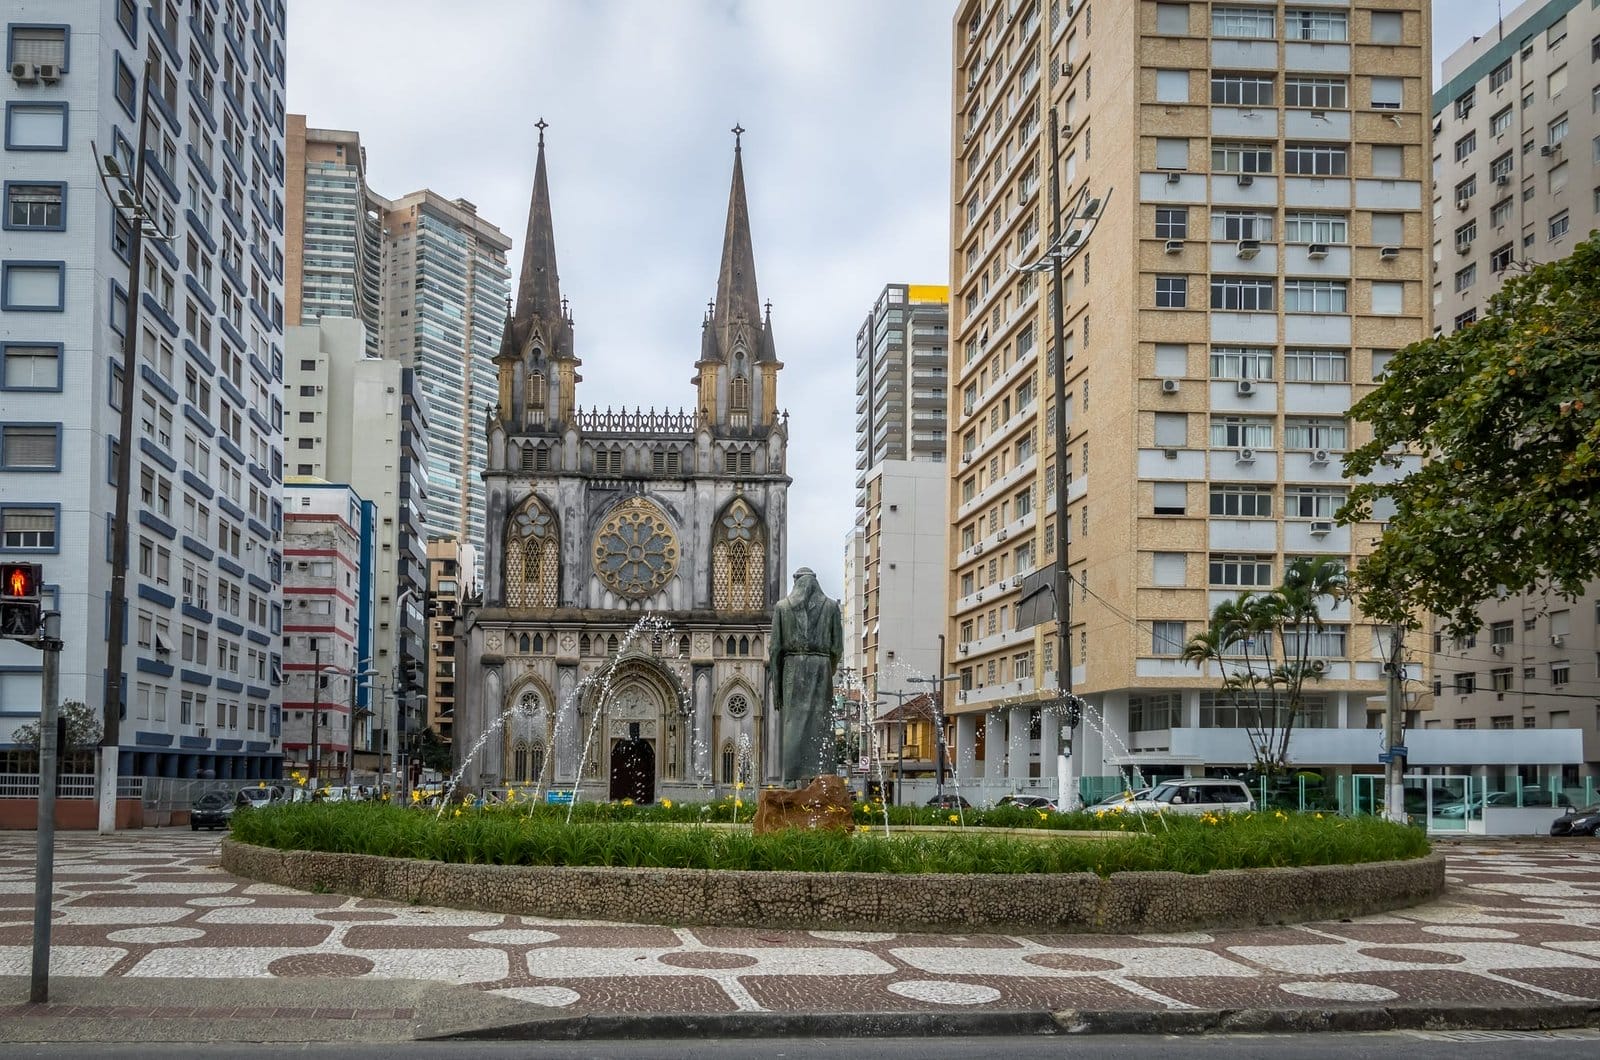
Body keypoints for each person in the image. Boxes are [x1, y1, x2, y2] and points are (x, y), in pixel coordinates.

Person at [768, 567, 843, 785]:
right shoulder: (831, 607)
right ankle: (822, 776)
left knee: (793, 723)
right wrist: (829, 669)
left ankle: (791, 780)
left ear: (796, 581)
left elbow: (775, 649)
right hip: (821, 668)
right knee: (822, 723)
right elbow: (837, 648)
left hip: (792, 668)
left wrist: (777, 686)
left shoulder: (782, 607)